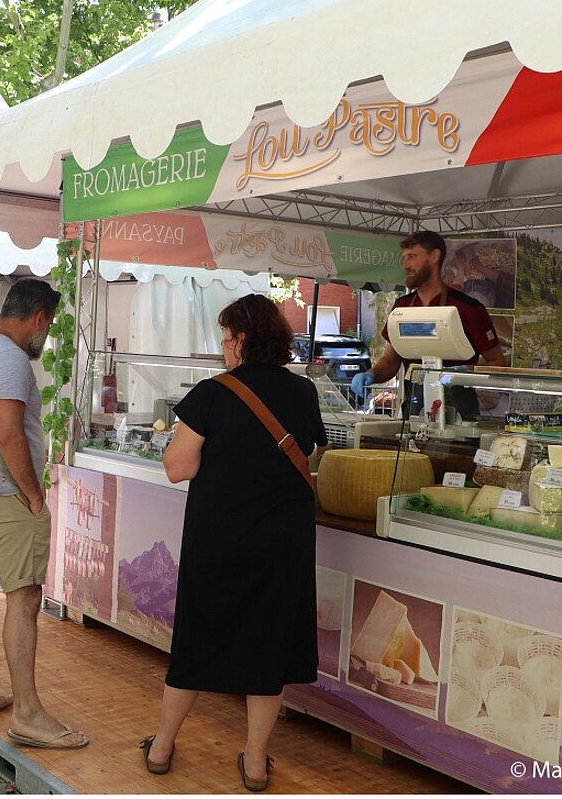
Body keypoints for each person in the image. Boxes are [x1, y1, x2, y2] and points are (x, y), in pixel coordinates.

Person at [140, 293, 325, 792]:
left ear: (242, 339)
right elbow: (310, 452)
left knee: (197, 643)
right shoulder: (303, 391)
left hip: (219, 539)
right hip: (283, 542)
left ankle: (161, 747)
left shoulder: (212, 393)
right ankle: (256, 763)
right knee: (269, 650)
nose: (223, 347)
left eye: (225, 337)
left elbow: (178, 468)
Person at [0, 279, 87, 751]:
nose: (46, 335)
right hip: (4, 498)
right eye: (48, 325)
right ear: (38, 318)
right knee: (25, 599)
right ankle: (27, 714)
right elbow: (9, 435)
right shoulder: (10, 359)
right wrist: (33, 494)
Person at [351, 230, 507, 415]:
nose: (405, 265)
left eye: (412, 257)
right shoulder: (402, 307)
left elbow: (498, 363)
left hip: (459, 413)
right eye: (404, 258)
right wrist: (371, 374)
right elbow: (390, 360)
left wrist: (466, 371)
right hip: (414, 410)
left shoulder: (468, 308)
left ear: (434, 256)